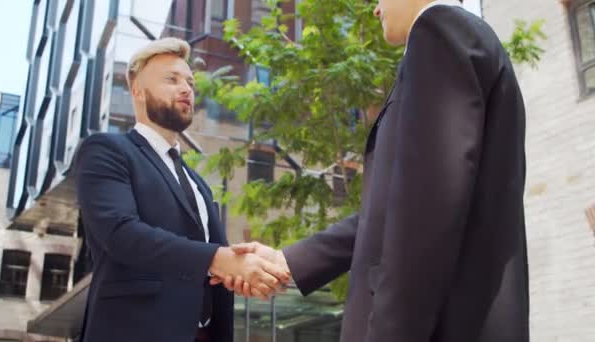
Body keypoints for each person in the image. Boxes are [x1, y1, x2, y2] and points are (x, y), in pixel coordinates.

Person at [221, 0, 530, 341]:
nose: (375, 10)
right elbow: (398, 209)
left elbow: (423, 216)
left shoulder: (439, 32)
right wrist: (289, 260)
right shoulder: (460, 38)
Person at [75, 37, 289, 342]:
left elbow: (208, 265)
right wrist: (219, 258)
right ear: (137, 91)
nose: (187, 88)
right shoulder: (107, 150)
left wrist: (237, 272)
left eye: (189, 81)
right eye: (171, 80)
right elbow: (121, 234)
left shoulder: (196, 182)